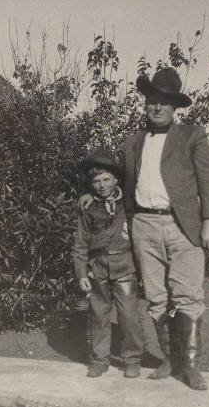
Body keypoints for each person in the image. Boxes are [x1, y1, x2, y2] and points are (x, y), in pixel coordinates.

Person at [80, 68, 209, 390]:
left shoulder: (192, 136)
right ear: (145, 105)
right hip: (143, 225)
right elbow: (119, 183)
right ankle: (170, 357)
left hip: (183, 227)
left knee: (187, 295)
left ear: (174, 107)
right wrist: (91, 193)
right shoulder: (133, 143)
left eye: (163, 102)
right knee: (158, 298)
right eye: (151, 102)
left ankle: (190, 365)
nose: (156, 108)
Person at [73, 149, 143, 378]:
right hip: (97, 268)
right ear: (90, 184)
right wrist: (82, 273)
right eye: (96, 181)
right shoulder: (88, 207)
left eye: (106, 179)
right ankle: (99, 359)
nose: (102, 185)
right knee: (98, 315)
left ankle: (131, 359)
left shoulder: (129, 203)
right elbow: (81, 244)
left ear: (115, 179)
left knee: (129, 315)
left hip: (125, 266)